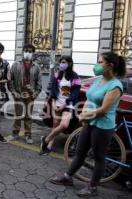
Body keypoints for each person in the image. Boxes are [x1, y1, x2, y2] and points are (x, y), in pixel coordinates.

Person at [49, 52, 126, 197]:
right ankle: (67, 177)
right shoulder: (99, 80)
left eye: (100, 62)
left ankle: (92, 187)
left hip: (102, 126)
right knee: (80, 152)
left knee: (99, 157)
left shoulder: (116, 85)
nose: (97, 65)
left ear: (110, 65)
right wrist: (83, 115)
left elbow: (103, 110)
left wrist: (84, 115)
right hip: (89, 122)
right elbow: (89, 98)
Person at [40, 56, 81, 155]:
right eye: (60, 62)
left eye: (63, 62)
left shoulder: (76, 77)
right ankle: (49, 146)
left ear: (70, 63)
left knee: (64, 125)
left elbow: (75, 93)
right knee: (55, 125)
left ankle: (46, 139)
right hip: (57, 103)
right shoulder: (57, 75)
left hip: (68, 104)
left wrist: (64, 105)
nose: (61, 64)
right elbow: (53, 90)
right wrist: (53, 104)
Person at [8, 44, 42, 144]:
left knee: (28, 116)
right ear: (23, 51)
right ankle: (15, 133)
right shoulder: (16, 65)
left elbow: (39, 83)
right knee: (18, 115)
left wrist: (34, 95)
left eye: (30, 51)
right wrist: (14, 93)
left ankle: (28, 135)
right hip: (19, 94)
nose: (28, 53)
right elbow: (10, 81)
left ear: (33, 53)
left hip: (30, 95)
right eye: (26, 50)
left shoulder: (36, 67)